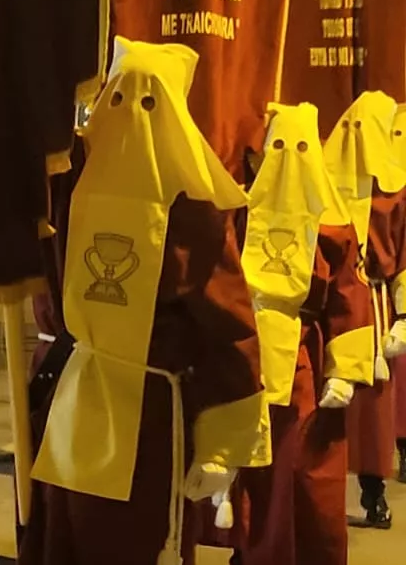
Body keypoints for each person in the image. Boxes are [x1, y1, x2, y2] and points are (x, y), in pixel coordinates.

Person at [20, 38, 263, 565]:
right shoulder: (66, 181)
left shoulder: (194, 205)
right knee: (68, 534)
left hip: (151, 420)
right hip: (75, 401)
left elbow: (227, 327)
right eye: (121, 97)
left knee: (131, 542)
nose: (133, 114)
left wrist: (222, 443)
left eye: (149, 101)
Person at [210, 102, 372, 565]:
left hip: (302, 364)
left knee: (293, 474)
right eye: (278, 146)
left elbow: (348, 291)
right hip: (243, 356)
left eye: (299, 148)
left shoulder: (331, 223)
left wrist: (343, 368)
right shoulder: (239, 211)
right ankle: (244, 551)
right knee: (243, 471)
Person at [328, 92, 406, 528]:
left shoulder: (394, 192)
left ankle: (374, 496)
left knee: (372, 409)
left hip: (373, 304)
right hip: (335, 302)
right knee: (330, 408)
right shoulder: (325, 179)